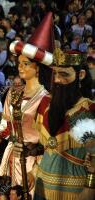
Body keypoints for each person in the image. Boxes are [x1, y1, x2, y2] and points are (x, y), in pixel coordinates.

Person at [0, 12, 54, 191]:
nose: (20, 67)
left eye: (26, 64)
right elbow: (5, 124)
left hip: (32, 161)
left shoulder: (46, 99)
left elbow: (50, 142)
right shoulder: (13, 92)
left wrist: (34, 171)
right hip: (10, 156)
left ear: (38, 68)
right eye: (19, 62)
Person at [32, 48, 95, 199]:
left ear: (80, 75)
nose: (58, 80)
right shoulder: (45, 103)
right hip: (41, 186)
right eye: (56, 73)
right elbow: (44, 146)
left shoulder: (88, 110)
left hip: (75, 192)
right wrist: (29, 150)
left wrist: (90, 188)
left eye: (64, 74)